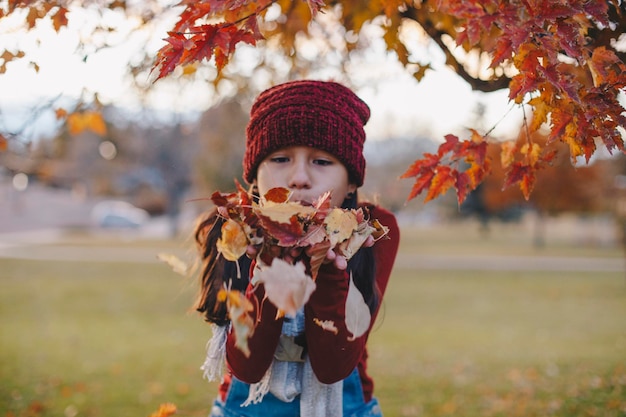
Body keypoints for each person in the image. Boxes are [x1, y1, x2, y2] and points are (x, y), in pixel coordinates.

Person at [193, 80, 400, 417]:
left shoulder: (374, 232)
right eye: (280, 158)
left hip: (343, 407)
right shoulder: (234, 230)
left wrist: (330, 269)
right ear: (255, 177)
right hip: (245, 408)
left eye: (321, 161)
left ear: (350, 182)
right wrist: (271, 270)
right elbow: (247, 365)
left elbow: (334, 365)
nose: (299, 178)